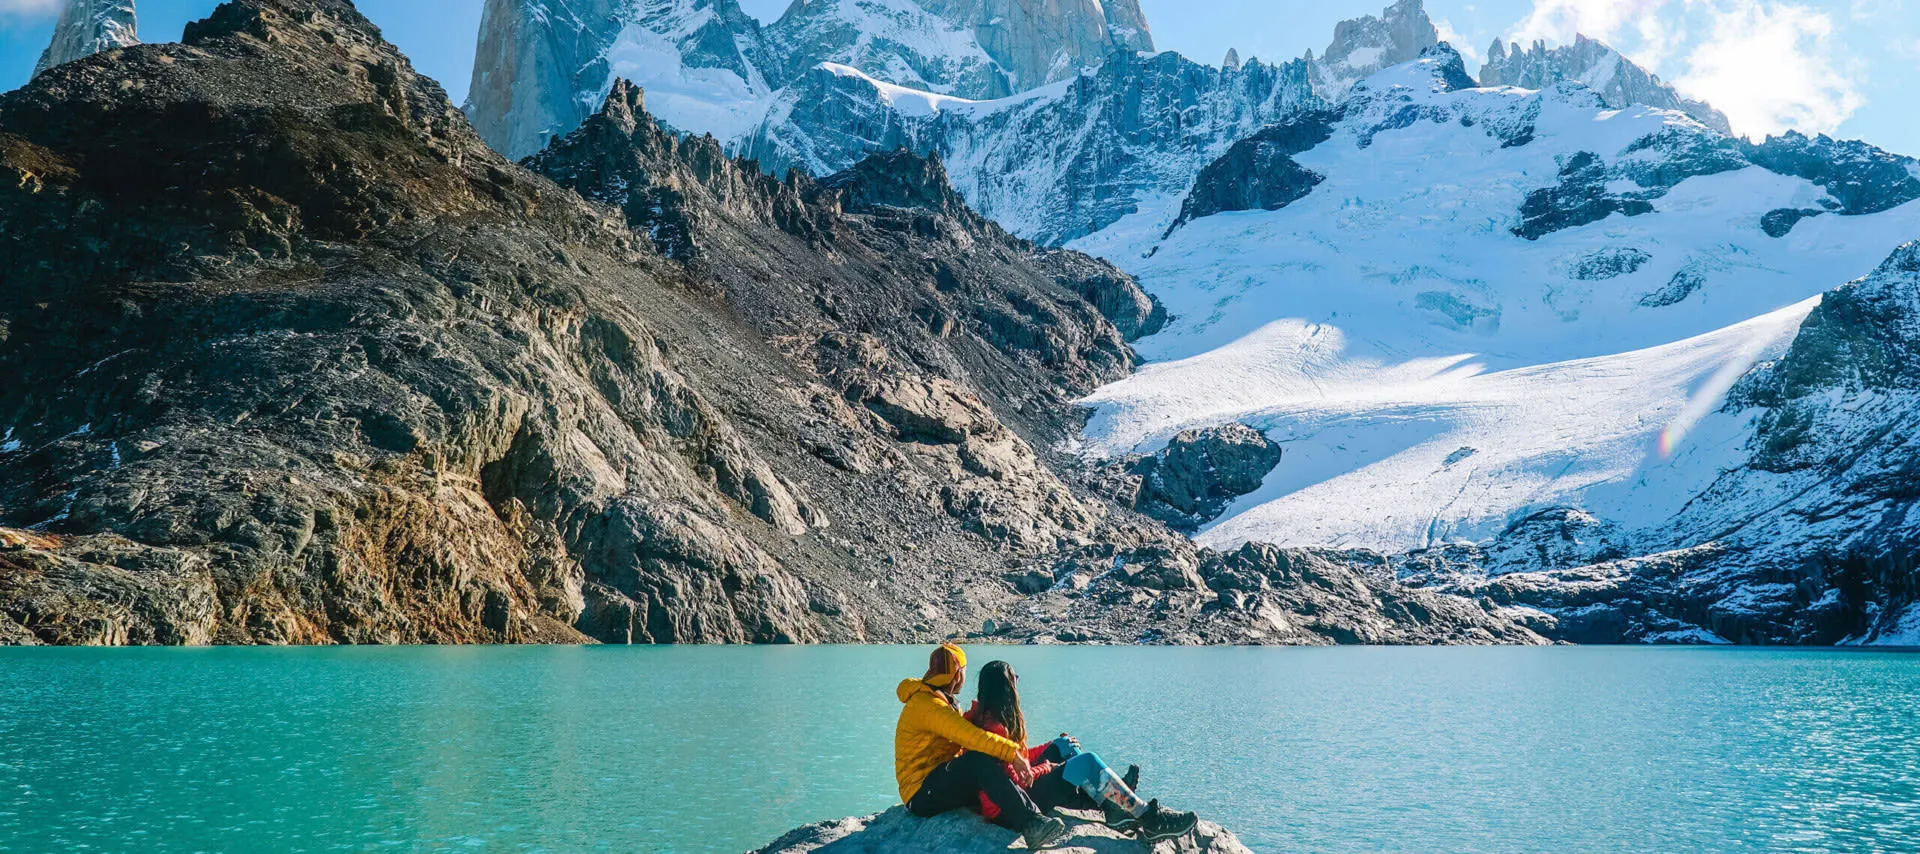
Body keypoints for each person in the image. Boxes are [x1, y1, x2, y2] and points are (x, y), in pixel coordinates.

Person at [964, 659, 1199, 843]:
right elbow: (1014, 783)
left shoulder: (987, 717)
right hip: (1007, 811)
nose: (1018, 683)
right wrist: (1049, 767)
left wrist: (1051, 746)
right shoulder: (995, 728)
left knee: (1066, 747)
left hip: (1012, 798)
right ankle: (1148, 818)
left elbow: (1018, 760)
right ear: (1006, 688)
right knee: (1085, 762)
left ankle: (1113, 805)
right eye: (1014, 679)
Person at [895, 643, 1072, 849]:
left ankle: (1037, 809)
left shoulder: (940, 700)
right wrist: (1013, 754)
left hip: (940, 782)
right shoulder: (928, 706)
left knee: (987, 762)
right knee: (979, 760)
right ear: (958, 674)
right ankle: (1030, 822)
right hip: (921, 794)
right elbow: (972, 737)